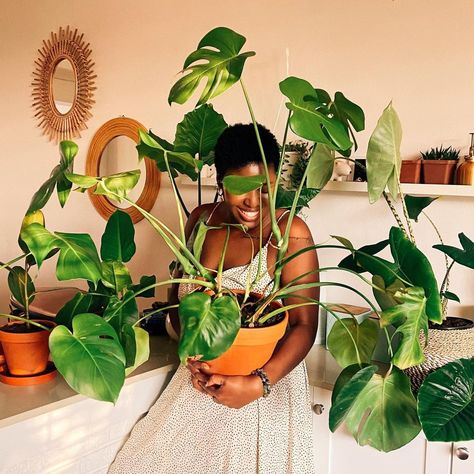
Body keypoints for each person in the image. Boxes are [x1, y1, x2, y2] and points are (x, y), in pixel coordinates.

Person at [109, 123, 319, 474]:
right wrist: (191, 354)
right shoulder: (201, 219)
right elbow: (178, 300)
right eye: (241, 189)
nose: (254, 202)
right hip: (196, 386)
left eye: (264, 187)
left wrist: (258, 384)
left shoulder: (290, 233)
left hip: (259, 398)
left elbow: (304, 325)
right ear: (222, 183)